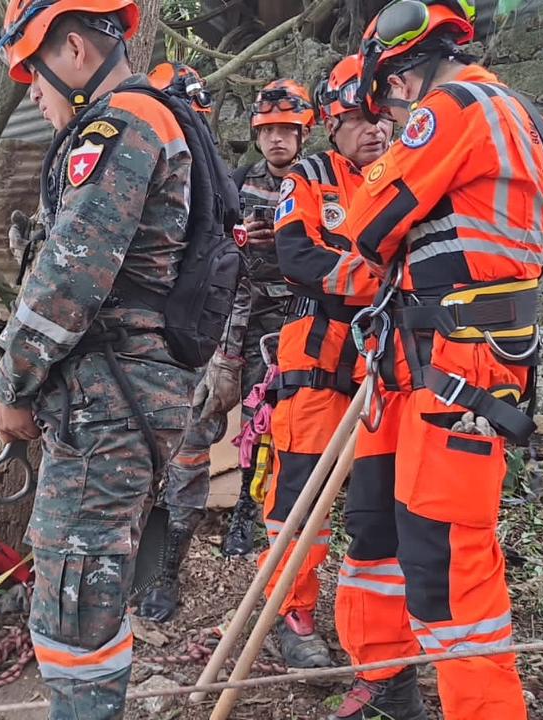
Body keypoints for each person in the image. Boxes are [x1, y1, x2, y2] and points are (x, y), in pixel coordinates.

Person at [329, 2, 543, 718]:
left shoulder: (452, 108)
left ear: (402, 72)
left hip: (457, 366)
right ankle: (387, 682)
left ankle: (482, 710)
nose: (388, 109)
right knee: (378, 523)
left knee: (447, 561)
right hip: (430, 359)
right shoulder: (524, 117)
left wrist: (467, 285)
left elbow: (366, 224)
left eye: (386, 94)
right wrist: (497, 272)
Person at [0, 1, 195, 717]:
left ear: (74, 49)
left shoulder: (118, 127)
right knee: (92, 582)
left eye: (34, 77)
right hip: (126, 394)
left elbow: (69, 278)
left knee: (75, 599)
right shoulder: (157, 117)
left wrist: (12, 381)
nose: (34, 96)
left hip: (105, 405)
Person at [264, 55, 392, 668]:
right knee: (299, 492)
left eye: (382, 116)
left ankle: (374, 629)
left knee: (378, 494)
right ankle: (293, 612)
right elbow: (297, 256)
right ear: (333, 125)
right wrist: (378, 282)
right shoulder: (310, 177)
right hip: (318, 345)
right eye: (359, 118)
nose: (376, 129)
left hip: (387, 353)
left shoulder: (408, 173)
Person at [134, 60, 253, 623]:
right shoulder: (129, 173)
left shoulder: (219, 190)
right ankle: (127, 559)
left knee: (188, 458)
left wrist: (225, 358)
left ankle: (166, 572)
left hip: (194, 353)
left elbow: (236, 281)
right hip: (132, 354)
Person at [212, 78, 321, 559]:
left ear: (303, 134)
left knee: (266, 419)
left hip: (291, 319)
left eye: (287, 129)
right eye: (269, 129)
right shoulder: (237, 181)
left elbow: (335, 246)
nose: (278, 138)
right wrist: (237, 237)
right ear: (257, 135)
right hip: (237, 314)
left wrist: (281, 241)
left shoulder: (320, 180)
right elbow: (212, 241)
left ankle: (246, 512)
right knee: (210, 410)